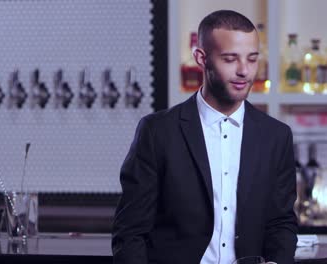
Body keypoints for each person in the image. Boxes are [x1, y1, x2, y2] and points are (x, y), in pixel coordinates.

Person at [112, 10, 298, 264]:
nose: (244, 71)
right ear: (201, 58)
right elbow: (130, 232)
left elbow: (281, 222)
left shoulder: (276, 136)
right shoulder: (158, 131)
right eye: (230, 59)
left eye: (252, 59)